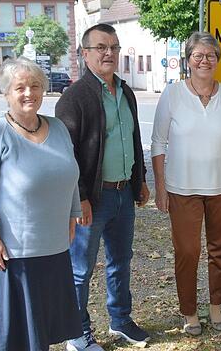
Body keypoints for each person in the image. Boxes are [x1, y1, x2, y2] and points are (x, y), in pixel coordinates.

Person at [0, 57, 83, 350]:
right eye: (20, 87)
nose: (29, 93)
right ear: (7, 93)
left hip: (55, 248)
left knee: (44, 330)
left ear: (44, 90)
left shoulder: (58, 128)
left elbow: (71, 173)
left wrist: (73, 216)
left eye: (35, 86)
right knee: (20, 336)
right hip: (16, 252)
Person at [56, 23, 151, 350]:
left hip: (124, 193)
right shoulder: (74, 98)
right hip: (92, 201)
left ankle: (120, 320)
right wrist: (79, 199)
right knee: (80, 270)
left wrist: (140, 180)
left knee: (121, 261)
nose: (109, 52)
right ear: (85, 54)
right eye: (101, 47)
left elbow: (134, 140)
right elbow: (66, 156)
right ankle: (76, 333)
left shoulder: (125, 91)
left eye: (113, 46)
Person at [151, 31, 221, 336]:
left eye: (210, 55)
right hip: (182, 188)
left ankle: (216, 307)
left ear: (217, 61)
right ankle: (189, 311)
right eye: (198, 55)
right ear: (188, 61)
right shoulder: (173, 94)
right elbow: (158, 143)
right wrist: (160, 186)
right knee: (187, 251)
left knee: (220, 251)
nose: (204, 60)